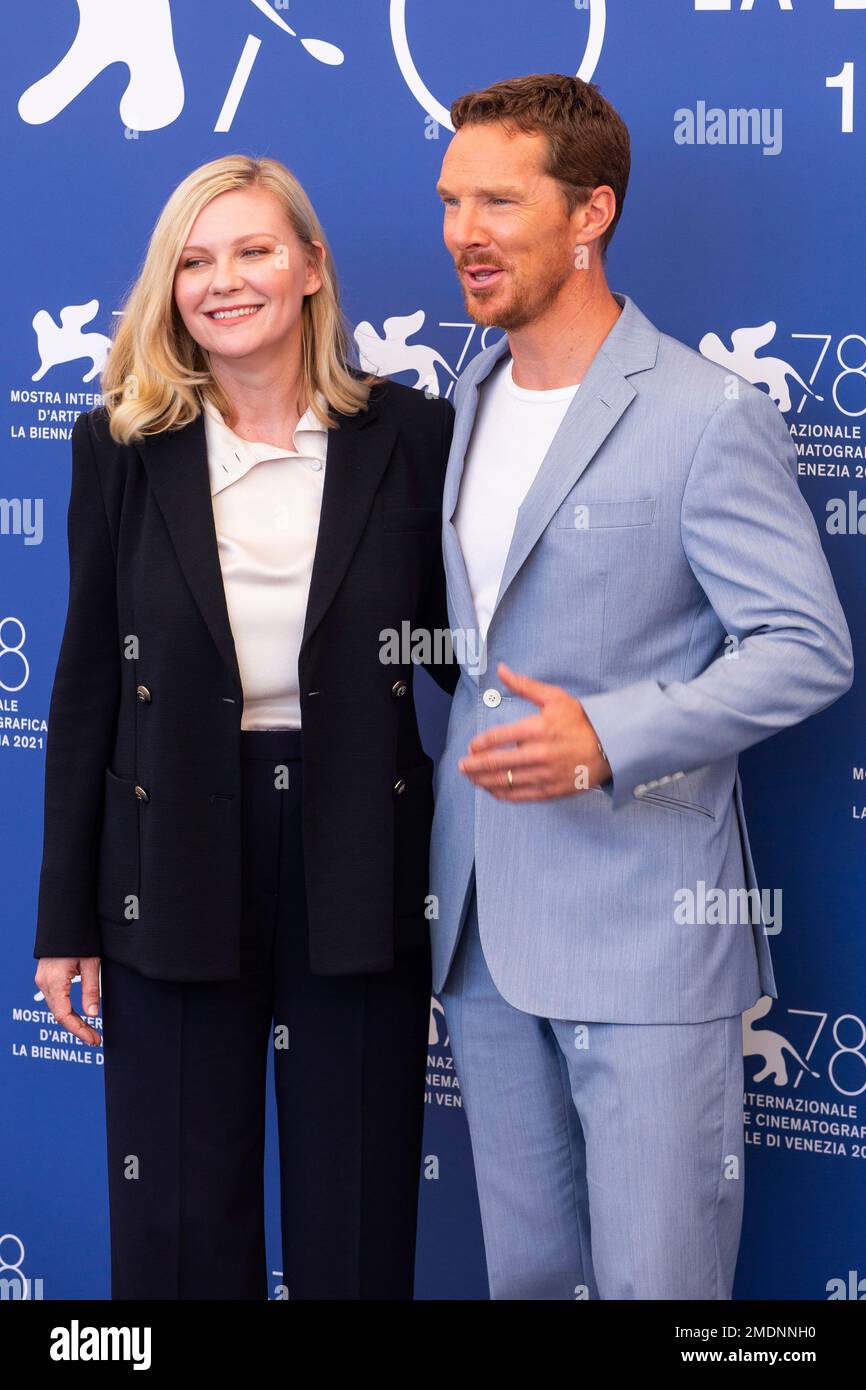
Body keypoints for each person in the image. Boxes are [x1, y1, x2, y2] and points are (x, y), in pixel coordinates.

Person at [429, 74, 854, 1300]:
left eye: (498, 200)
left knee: (660, 1290)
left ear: (589, 212)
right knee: (528, 1281)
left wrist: (609, 736)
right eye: (452, 200)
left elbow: (802, 642)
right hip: (477, 927)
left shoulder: (701, 411)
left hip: (647, 924)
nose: (463, 231)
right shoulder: (463, 401)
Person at [33, 154, 456, 1300]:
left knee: (356, 1219)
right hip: (166, 856)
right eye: (195, 260)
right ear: (169, 288)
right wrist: (64, 919)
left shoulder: (411, 437)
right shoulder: (118, 446)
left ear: (311, 268)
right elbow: (84, 687)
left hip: (361, 855)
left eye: (254, 250)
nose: (223, 281)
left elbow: (461, 659)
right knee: (171, 1222)